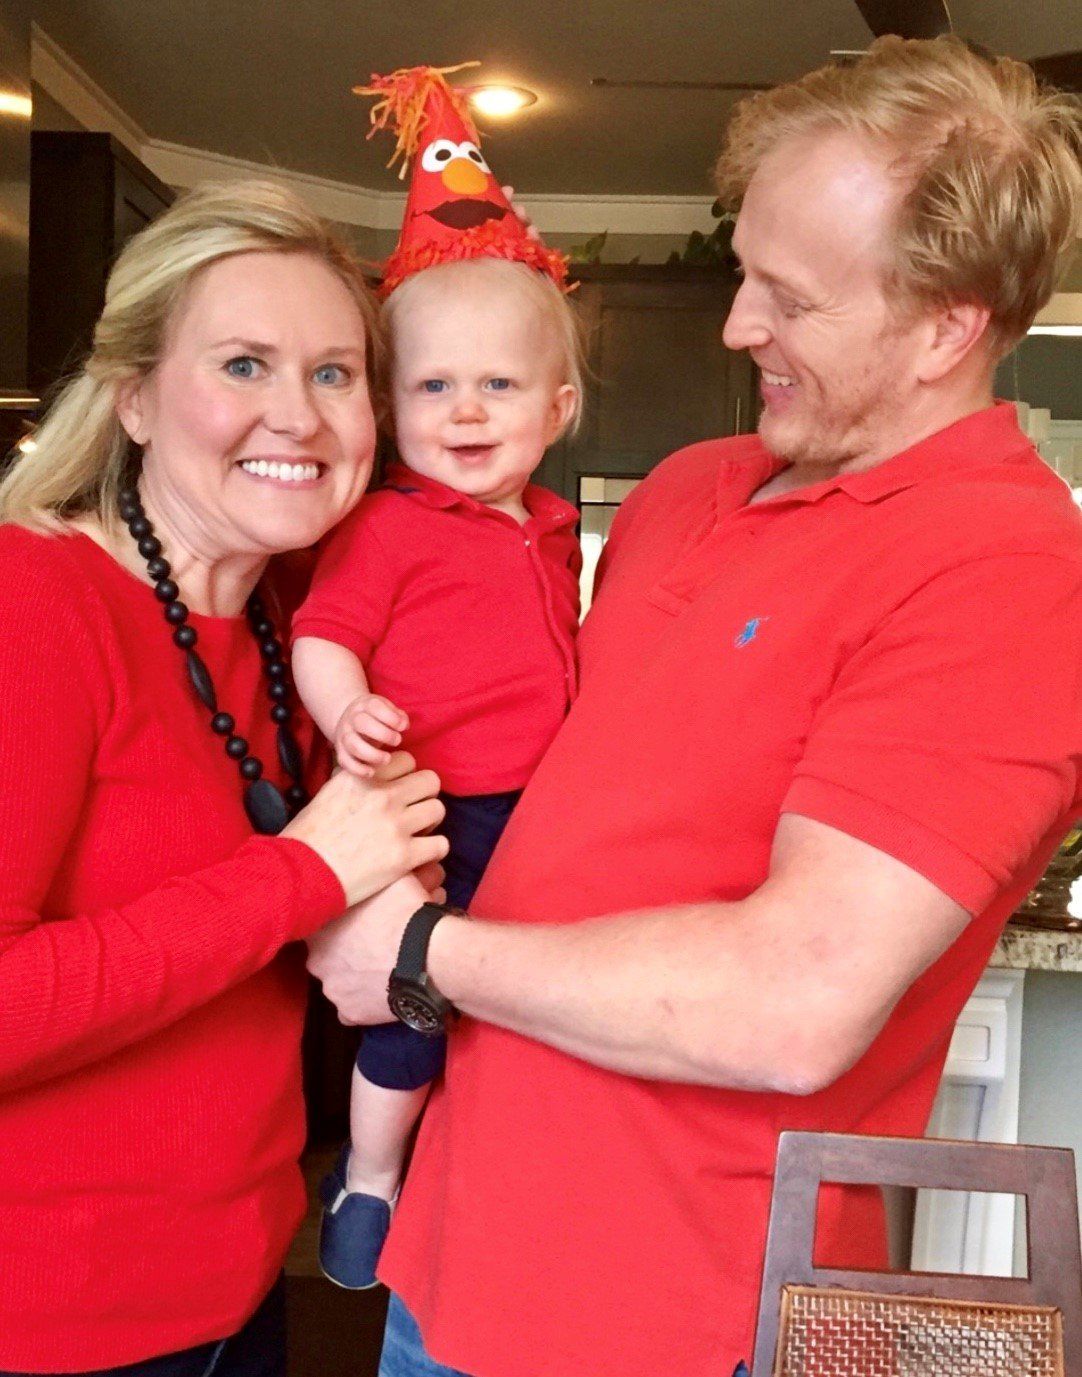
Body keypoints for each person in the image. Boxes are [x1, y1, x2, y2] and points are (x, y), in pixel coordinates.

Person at [306, 36, 1082, 1377]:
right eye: (741, 277)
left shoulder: (1012, 575)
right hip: (451, 1250)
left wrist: (420, 952)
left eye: (789, 298)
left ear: (947, 323)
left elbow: (794, 1001)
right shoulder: (688, 489)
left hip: (666, 1317)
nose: (736, 328)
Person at [0, 179, 447, 1377]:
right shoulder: (33, 602)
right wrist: (300, 875)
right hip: (46, 1328)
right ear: (135, 397)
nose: (297, 417)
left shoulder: (293, 645)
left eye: (334, 374)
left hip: (236, 1288)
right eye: (244, 365)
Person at [291, 66, 582, 1290]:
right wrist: (345, 710)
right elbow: (321, 634)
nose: (463, 411)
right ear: (388, 404)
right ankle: (368, 1180)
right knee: (409, 1015)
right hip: (428, 803)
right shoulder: (389, 526)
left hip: (543, 811)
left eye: (497, 387)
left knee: (533, 1012)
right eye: (430, 387)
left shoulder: (555, 525)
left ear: (558, 406)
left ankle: (500, 1184)